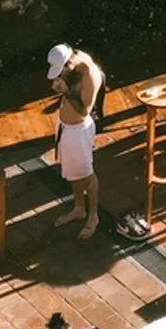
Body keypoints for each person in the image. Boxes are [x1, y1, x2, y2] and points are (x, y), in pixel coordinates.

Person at [47, 42, 104, 239]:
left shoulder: (89, 74)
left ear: (69, 62)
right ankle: (79, 208)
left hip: (79, 130)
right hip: (65, 127)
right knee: (73, 173)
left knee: (87, 175)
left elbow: (85, 109)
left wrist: (66, 90)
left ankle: (93, 216)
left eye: (62, 72)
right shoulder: (72, 64)